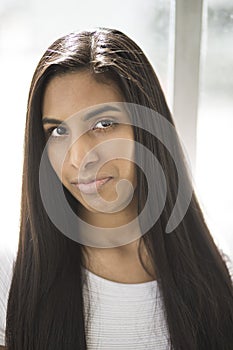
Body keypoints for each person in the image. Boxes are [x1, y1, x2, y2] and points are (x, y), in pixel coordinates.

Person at [0, 27, 232, 350]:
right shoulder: (10, 280)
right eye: (57, 131)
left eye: (103, 124)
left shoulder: (217, 281)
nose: (79, 157)